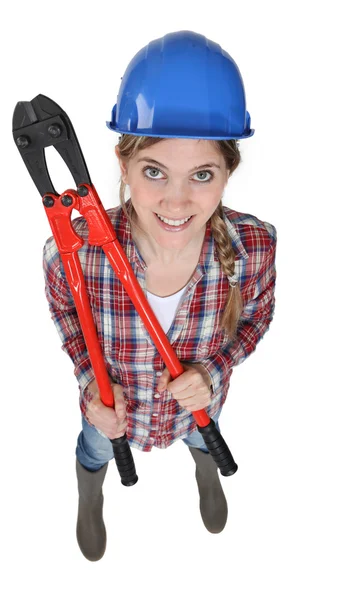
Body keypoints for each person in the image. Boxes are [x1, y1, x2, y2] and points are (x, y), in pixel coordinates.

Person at [42, 30, 277, 562]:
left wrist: (213, 371)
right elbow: (66, 313)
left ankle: (206, 469)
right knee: (94, 448)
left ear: (227, 174)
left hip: (200, 411)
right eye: (154, 171)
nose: (177, 199)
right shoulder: (74, 253)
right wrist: (89, 385)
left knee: (203, 437)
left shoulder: (253, 246)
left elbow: (257, 317)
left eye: (201, 174)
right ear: (122, 167)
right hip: (113, 416)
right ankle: (89, 494)